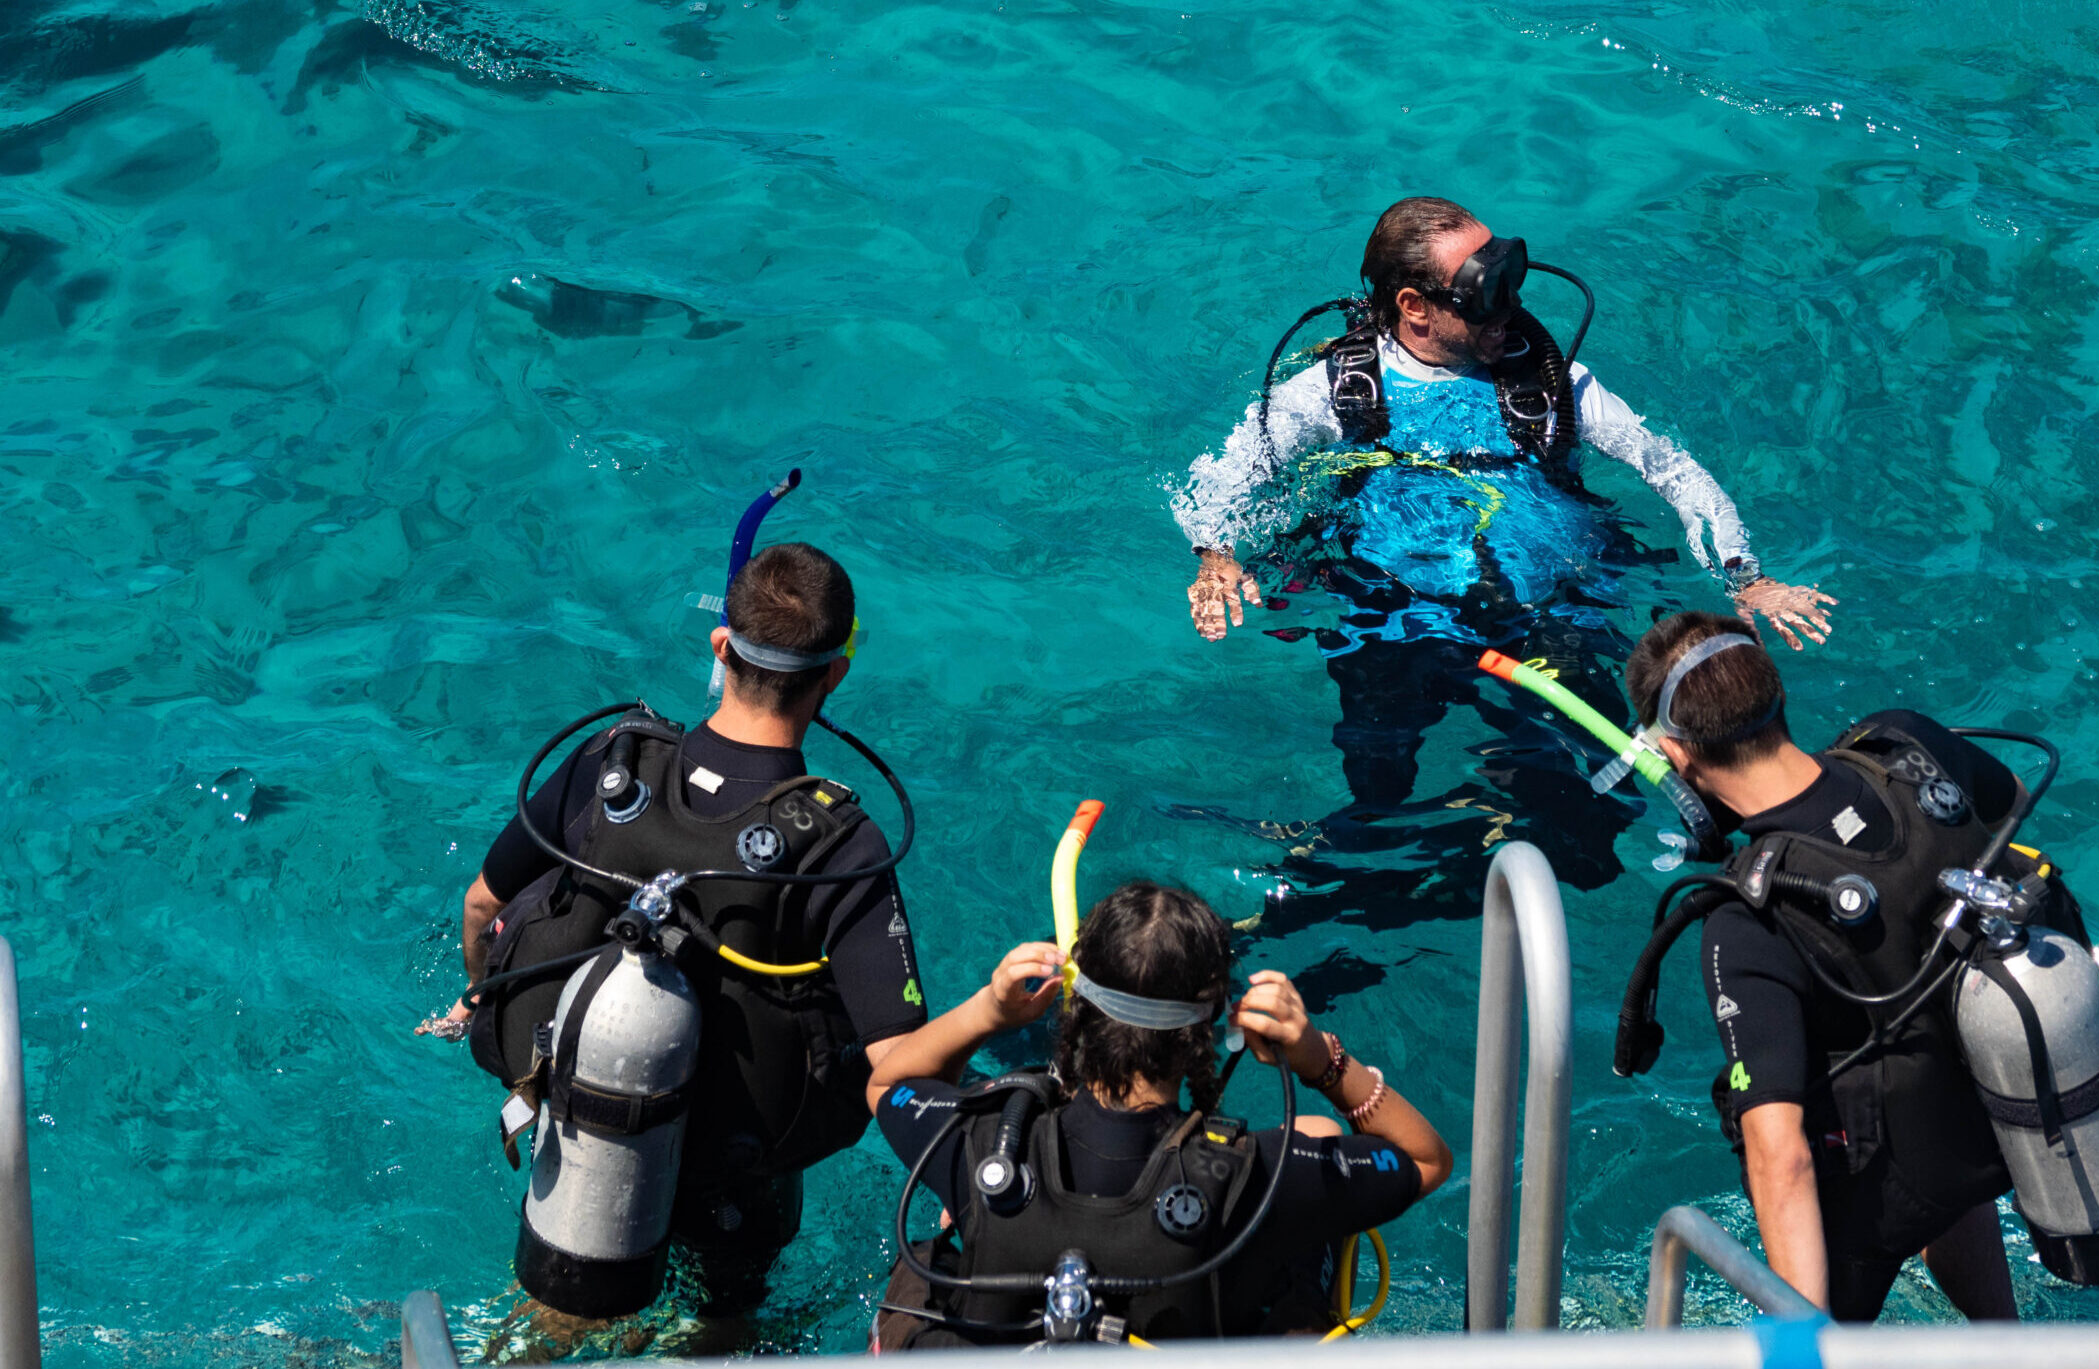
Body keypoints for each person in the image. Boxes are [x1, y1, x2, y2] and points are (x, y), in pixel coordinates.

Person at [1173, 196, 1836, 928]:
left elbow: (1671, 470)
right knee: (1378, 800)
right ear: (1414, 308)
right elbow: (1227, 477)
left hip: (1550, 619)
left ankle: (1476, 827)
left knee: (1594, 830)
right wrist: (1216, 557)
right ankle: (1410, 857)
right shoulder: (1334, 392)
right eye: (1487, 294)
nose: (1511, 309)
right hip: (1392, 620)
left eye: (1514, 279)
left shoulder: (1553, 381)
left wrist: (1747, 575)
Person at [419, 541, 931, 1339]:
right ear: (835, 674)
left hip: (594, 1131)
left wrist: (481, 998)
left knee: (555, 1318)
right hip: (735, 1178)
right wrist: (998, 1013)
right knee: (722, 1324)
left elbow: (483, 902)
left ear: (720, 646)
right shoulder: (842, 846)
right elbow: (900, 1065)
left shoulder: (610, 762)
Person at [1621, 611, 2020, 1321]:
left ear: (1678, 761)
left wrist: (1805, 1343)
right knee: (1928, 1109)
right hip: (1981, 1117)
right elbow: (2006, 801)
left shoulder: (1747, 919)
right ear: (1773, 688)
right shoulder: (1907, 742)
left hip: (1875, 1198)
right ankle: (2008, 1343)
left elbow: (1781, 1157)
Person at [864, 881, 1453, 1346]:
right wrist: (1320, 1058)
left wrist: (987, 1011)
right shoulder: (1256, 1178)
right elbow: (1426, 1159)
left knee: (948, 1225)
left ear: (1076, 1008)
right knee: (1319, 1137)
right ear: (1212, 1028)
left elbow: (889, 1081)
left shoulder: (982, 1140)